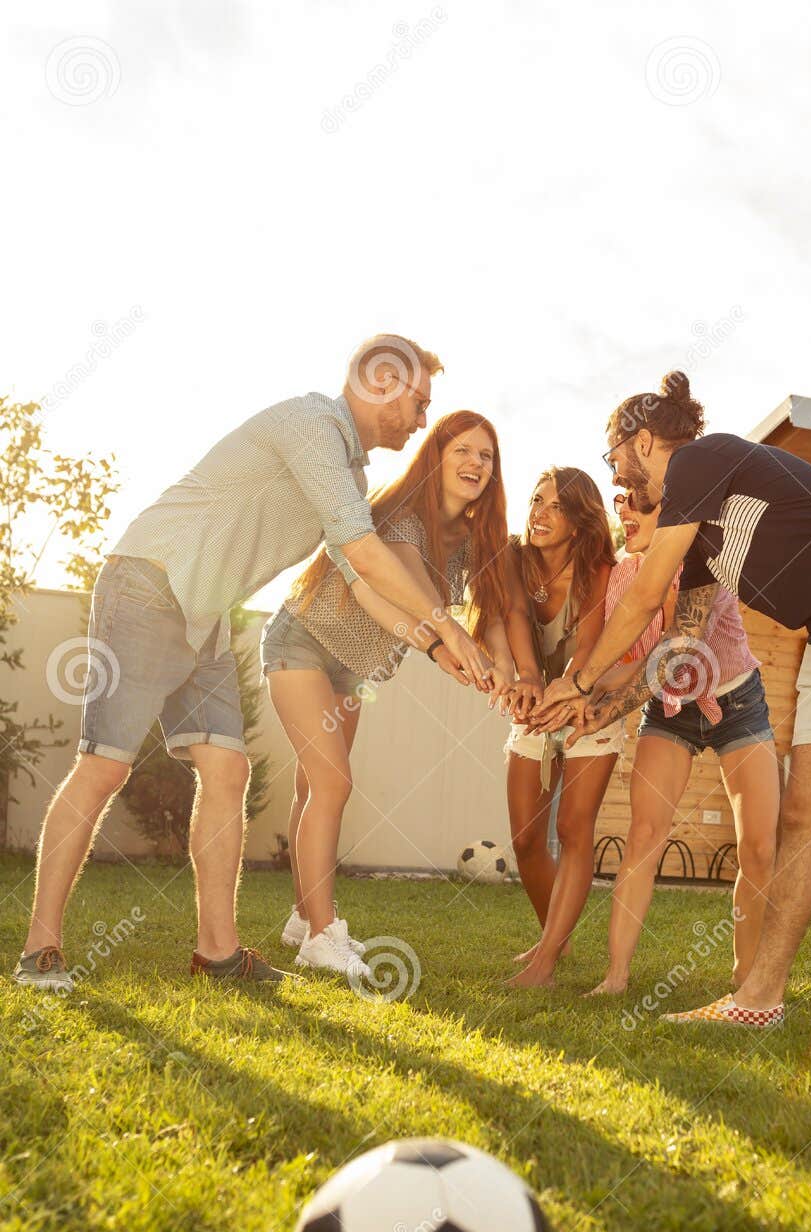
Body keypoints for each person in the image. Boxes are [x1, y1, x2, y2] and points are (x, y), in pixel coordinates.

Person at [14, 335, 488, 991]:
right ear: (381, 381)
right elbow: (368, 553)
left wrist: (438, 644)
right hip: (151, 585)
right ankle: (40, 950)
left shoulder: (349, 477)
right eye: (418, 402)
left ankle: (219, 953)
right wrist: (445, 627)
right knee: (103, 767)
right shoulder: (312, 425)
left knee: (227, 768)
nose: (420, 419)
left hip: (206, 615)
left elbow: (362, 581)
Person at [535, 372, 811, 1053]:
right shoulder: (694, 532)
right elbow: (676, 643)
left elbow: (640, 601)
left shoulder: (702, 458)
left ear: (641, 442)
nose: (615, 473)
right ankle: (757, 998)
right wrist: (598, 700)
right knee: (805, 819)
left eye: (614, 455)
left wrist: (576, 678)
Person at [262, 410, 533, 976]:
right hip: (305, 641)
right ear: (437, 456)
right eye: (462, 450)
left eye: (486, 455)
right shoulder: (406, 519)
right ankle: (321, 933)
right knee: (334, 783)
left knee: (314, 784)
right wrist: (448, 647)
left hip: (354, 669)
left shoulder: (473, 539)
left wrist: (501, 663)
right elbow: (408, 594)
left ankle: (301, 914)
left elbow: (494, 614)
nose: (475, 463)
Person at [584, 490, 779, 996]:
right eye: (619, 500)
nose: (623, 511)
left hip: (736, 701)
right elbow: (628, 659)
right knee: (645, 834)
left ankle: (747, 983)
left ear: (668, 514)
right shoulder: (626, 575)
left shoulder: (705, 558)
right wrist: (575, 693)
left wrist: (601, 705)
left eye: (635, 502)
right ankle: (616, 977)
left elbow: (676, 654)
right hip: (669, 708)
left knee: (758, 847)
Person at [504, 468, 621, 989]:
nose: (540, 513)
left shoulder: (598, 570)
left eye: (556, 506)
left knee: (574, 830)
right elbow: (509, 623)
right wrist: (529, 681)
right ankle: (557, 934)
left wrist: (570, 692)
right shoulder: (515, 563)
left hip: (589, 703)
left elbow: (593, 646)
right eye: (536, 500)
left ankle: (546, 962)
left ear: (579, 520)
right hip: (535, 702)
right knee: (527, 839)